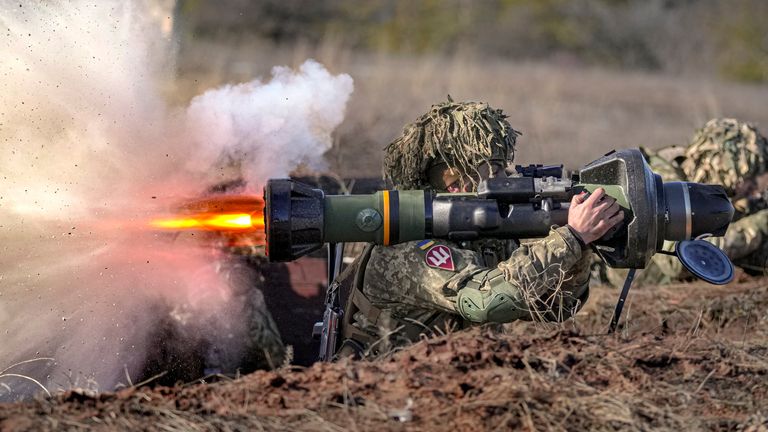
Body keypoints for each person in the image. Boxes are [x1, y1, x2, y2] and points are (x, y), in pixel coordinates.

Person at [334, 100, 624, 358]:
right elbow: (486, 301)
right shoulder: (409, 247)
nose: (503, 179)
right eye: (491, 171)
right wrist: (570, 238)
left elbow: (554, 307)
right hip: (380, 391)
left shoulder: (480, 239)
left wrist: (581, 245)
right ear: (454, 182)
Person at [603, 118, 768, 286]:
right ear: (729, 170)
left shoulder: (694, 183)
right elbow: (679, 259)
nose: (753, 191)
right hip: (609, 284)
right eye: (750, 184)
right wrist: (756, 227)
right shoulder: (658, 184)